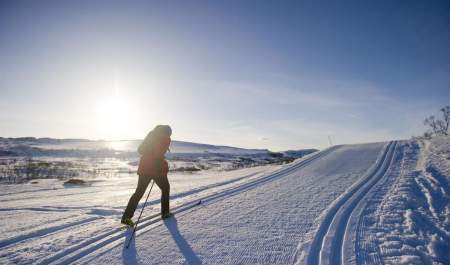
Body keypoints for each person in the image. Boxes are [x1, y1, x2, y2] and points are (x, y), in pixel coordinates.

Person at [121, 125, 173, 226]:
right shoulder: (164, 138)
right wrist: (158, 162)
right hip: (155, 169)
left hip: (144, 168)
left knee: (139, 192)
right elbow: (158, 154)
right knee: (165, 188)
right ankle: (165, 213)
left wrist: (154, 157)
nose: (168, 136)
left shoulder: (151, 135)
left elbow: (140, 150)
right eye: (168, 134)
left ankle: (126, 217)